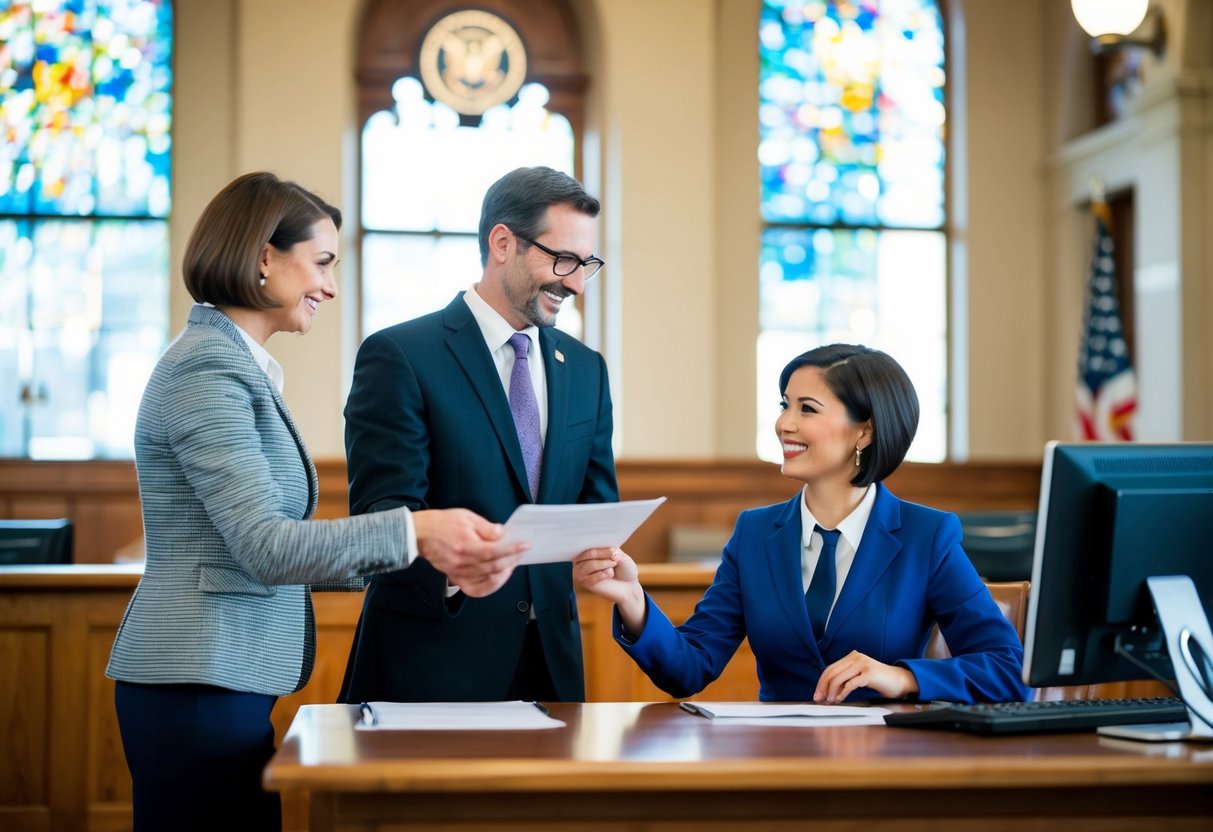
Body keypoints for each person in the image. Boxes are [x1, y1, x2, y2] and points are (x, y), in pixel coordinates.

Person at [105, 172, 525, 832]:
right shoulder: (206, 369)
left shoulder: (238, 367)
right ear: (264, 257)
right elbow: (267, 547)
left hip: (223, 680)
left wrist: (433, 560)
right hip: (195, 682)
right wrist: (417, 531)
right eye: (322, 263)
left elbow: (270, 549)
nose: (330, 286)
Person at [574, 344, 1031, 705]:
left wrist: (904, 677)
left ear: (864, 431)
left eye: (806, 409)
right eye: (784, 405)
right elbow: (688, 669)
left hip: (886, 768)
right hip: (775, 765)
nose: (783, 423)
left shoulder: (926, 536)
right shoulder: (755, 534)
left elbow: (1010, 669)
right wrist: (632, 597)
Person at [338, 165, 618, 704]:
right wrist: (456, 570)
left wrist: (600, 550)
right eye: (562, 260)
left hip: (553, 666)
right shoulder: (401, 355)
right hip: (432, 661)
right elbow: (381, 518)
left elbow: (595, 504)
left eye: (586, 265)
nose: (576, 283)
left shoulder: (586, 368)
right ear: (502, 243)